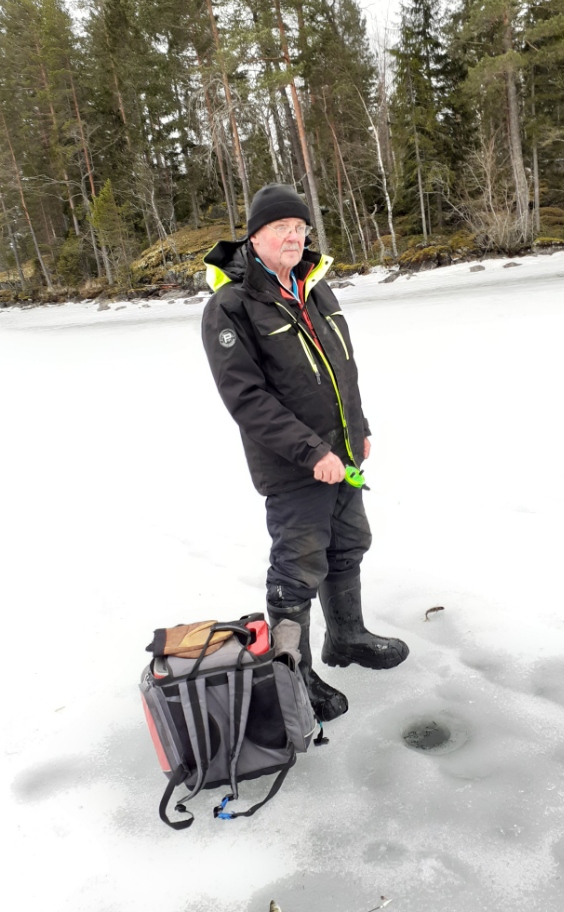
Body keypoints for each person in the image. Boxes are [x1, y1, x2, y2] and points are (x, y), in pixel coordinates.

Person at [201, 183, 408, 722]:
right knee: (297, 569)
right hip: (293, 465)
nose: (294, 236)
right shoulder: (231, 305)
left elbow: (342, 368)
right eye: (281, 228)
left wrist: (357, 429)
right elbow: (246, 398)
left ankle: (347, 637)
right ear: (254, 236)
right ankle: (295, 673)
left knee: (349, 544)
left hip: (342, 455)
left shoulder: (314, 286)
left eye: (300, 227)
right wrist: (312, 451)